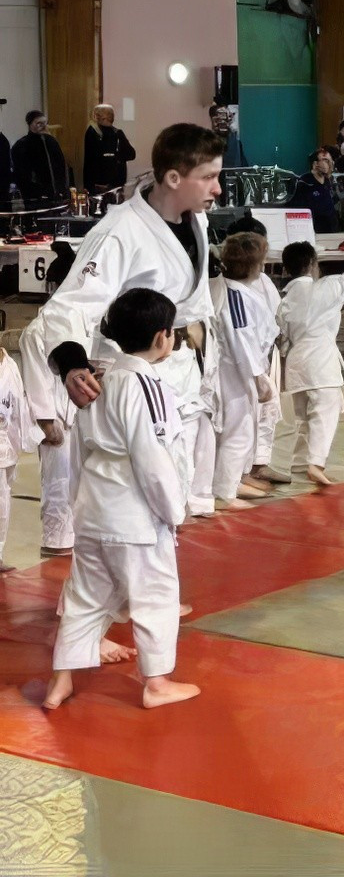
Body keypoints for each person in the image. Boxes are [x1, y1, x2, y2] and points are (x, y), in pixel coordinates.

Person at [22, 124, 224, 588]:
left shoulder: (196, 219)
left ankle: (143, 591)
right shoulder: (120, 231)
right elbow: (70, 305)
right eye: (209, 176)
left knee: (172, 476)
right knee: (129, 490)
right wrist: (72, 363)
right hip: (129, 374)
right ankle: (113, 593)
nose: (217, 188)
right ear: (173, 178)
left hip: (178, 365)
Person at [42, 288, 198, 712]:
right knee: (156, 597)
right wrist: (173, 511)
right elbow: (152, 458)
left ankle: (61, 679)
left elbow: (80, 453)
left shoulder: (98, 382)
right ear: (163, 336)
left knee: (85, 598)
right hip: (135, 517)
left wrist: (79, 505)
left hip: (93, 510)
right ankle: (157, 683)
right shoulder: (146, 385)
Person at [278, 241, 344, 486]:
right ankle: (315, 463)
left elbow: (282, 334)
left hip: (296, 360)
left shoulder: (285, 299)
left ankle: (300, 462)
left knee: (303, 416)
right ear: (312, 264)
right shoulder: (326, 287)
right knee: (325, 410)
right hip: (320, 360)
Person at [209, 232, 278, 508]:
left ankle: (232, 480)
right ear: (253, 265)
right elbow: (241, 338)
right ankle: (225, 492)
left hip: (238, 366)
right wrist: (257, 376)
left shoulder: (229, 288)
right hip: (236, 369)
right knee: (237, 430)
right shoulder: (234, 295)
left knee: (241, 428)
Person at [0, 342, 28, 573]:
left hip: (6, 442)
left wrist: (19, 441)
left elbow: (19, 404)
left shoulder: (10, 365)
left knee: (2, 501)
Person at [13, 111, 69, 209]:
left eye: (45, 123)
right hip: (35, 197)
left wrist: (63, 189)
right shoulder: (21, 145)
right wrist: (34, 191)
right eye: (39, 123)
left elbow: (61, 166)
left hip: (56, 195)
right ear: (30, 124)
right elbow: (21, 175)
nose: (43, 126)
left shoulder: (52, 141)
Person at [83, 104, 136, 196]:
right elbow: (131, 154)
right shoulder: (118, 134)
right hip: (116, 184)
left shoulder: (92, 133)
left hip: (97, 184)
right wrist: (117, 157)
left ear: (96, 116)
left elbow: (89, 162)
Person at [288, 147, 339, 233]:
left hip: (332, 231)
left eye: (330, 160)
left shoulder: (328, 182)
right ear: (315, 164)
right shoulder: (303, 183)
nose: (330, 164)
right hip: (314, 232)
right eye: (325, 160)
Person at [210, 104, 246, 169]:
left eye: (227, 116)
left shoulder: (235, 140)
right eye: (220, 117)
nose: (224, 121)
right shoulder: (208, 142)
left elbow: (243, 165)